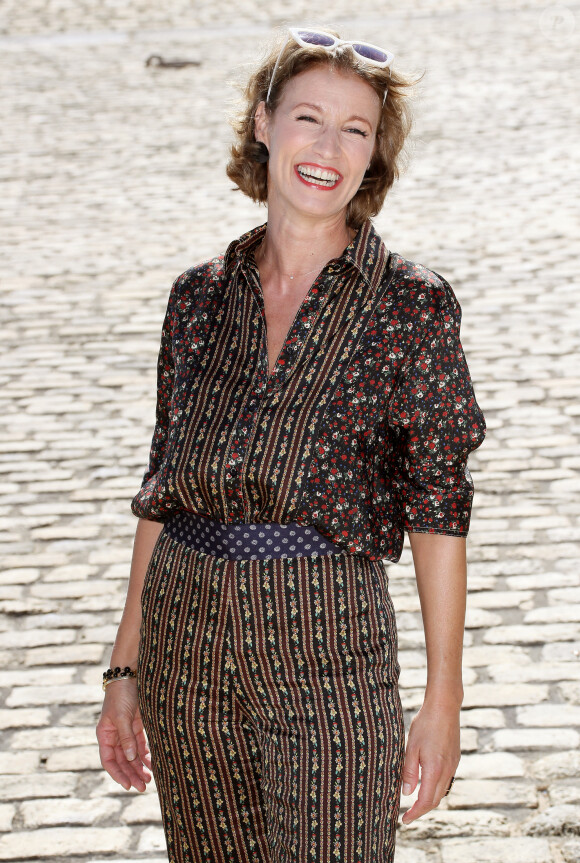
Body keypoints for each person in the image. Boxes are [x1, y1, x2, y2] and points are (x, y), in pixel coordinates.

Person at [96, 25, 486, 863]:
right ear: (264, 125)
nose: (328, 147)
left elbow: (439, 506)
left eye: (355, 129)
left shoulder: (410, 306)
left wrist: (442, 697)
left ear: (374, 153)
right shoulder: (198, 299)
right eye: (308, 118)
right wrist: (123, 669)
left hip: (328, 639)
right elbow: (162, 489)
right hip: (184, 634)